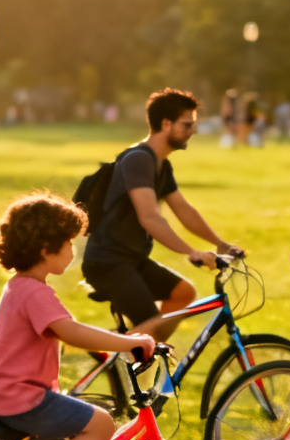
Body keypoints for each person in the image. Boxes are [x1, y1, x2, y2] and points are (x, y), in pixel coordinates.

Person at [0, 191, 155, 440]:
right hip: (22, 401)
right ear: (46, 249)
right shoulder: (35, 292)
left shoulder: (18, 286)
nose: (73, 251)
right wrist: (129, 342)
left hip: (5, 397)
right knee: (101, 424)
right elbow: (69, 331)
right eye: (68, 243)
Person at [81, 88, 243, 341]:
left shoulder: (160, 164)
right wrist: (192, 252)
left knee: (182, 293)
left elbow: (184, 211)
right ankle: (111, 352)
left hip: (130, 258)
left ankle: (144, 360)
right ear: (166, 124)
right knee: (150, 325)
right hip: (108, 262)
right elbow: (150, 217)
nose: (194, 131)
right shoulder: (139, 160)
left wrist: (219, 243)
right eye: (187, 124)